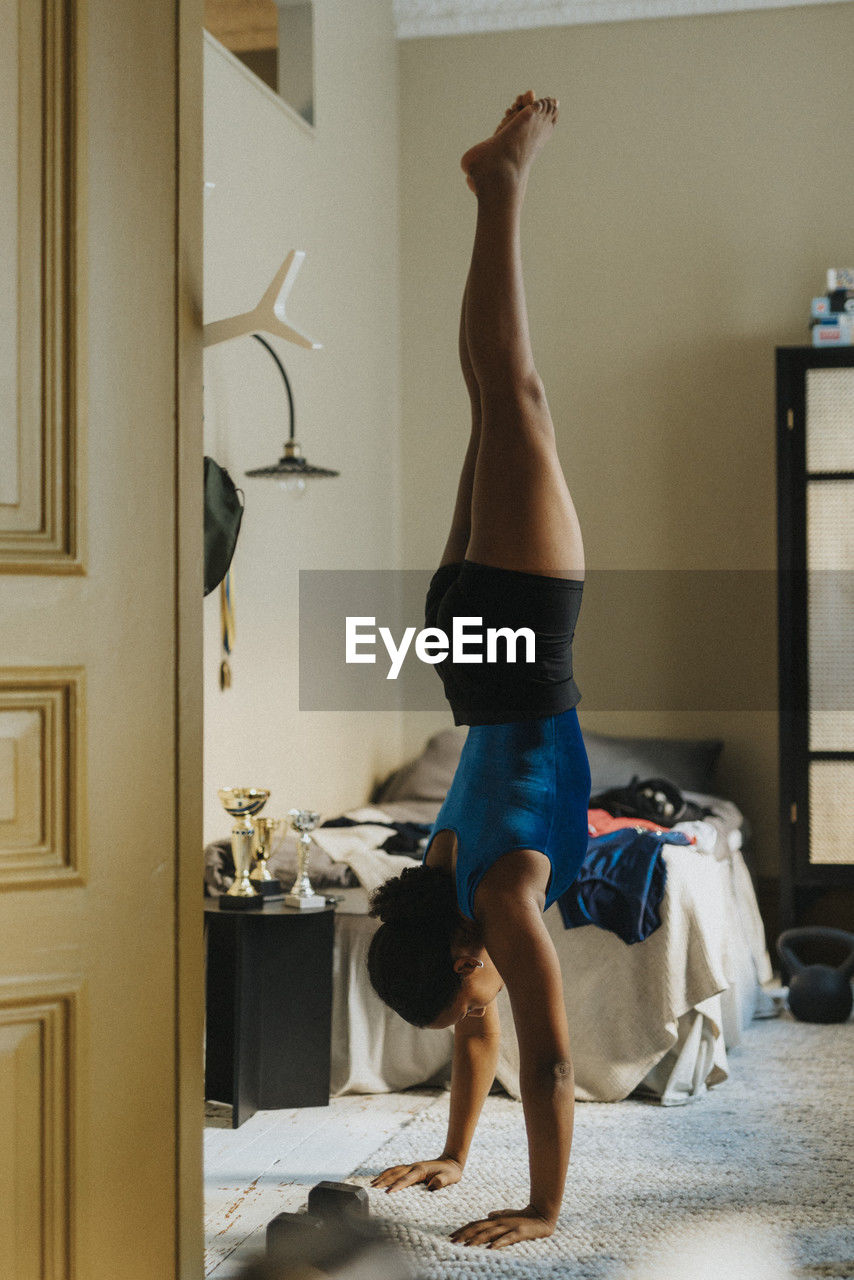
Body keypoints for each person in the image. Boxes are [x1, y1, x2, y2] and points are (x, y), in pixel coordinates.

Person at [366, 91, 591, 1251]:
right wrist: (455, 1154)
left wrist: (543, 1208)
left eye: (465, 987)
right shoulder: (443, 869)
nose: (473, 1011)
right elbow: (483, 1035)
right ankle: (492, 187)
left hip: (519, 628)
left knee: (514, 392)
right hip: (463, 633)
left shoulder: (495, 896)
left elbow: (545, 1057)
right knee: (489, 396)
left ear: (463, 954)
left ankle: (502, 183)